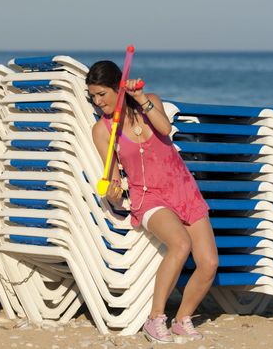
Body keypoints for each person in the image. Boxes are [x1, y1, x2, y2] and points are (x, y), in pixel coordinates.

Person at [86, 60, 218, 343]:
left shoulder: (150, 103)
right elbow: (110, 175)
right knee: (180, 243)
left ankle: (183, 319)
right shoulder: (102, 130)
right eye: (92, 97)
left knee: (208, 263)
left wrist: (142, 99)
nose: (97, 102)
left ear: (117, 89)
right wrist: (113, 189)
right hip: (148, 197)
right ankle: (155, 319)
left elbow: (165, 127)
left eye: (102, 95)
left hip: (184, 190)